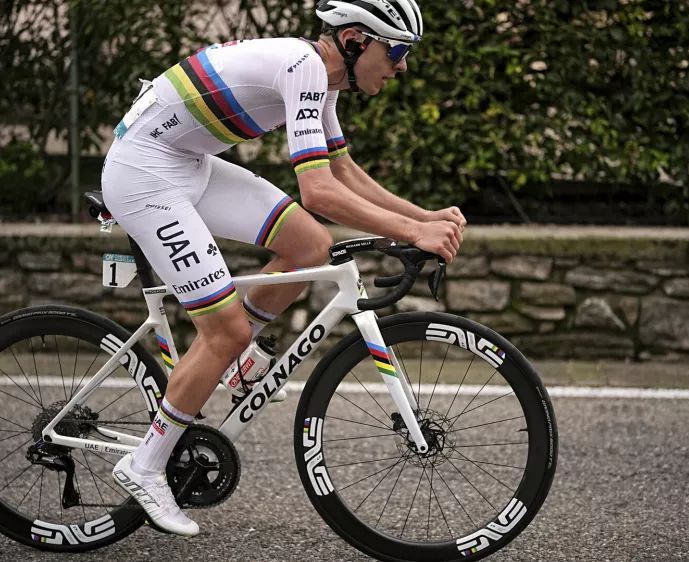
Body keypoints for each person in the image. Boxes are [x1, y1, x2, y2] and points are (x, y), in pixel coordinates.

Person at [103, 0, 465, 537]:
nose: (403, 66)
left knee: (308, 244)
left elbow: (342, 169)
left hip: (186, 164)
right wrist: (413, 234)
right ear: (357, 41)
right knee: (221, 330)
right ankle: (146, 464)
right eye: (397, 51)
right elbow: (317, 190)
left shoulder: (321, 77)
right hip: (145, 175)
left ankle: (235, 356)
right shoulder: (305, 67)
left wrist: (422, 216)